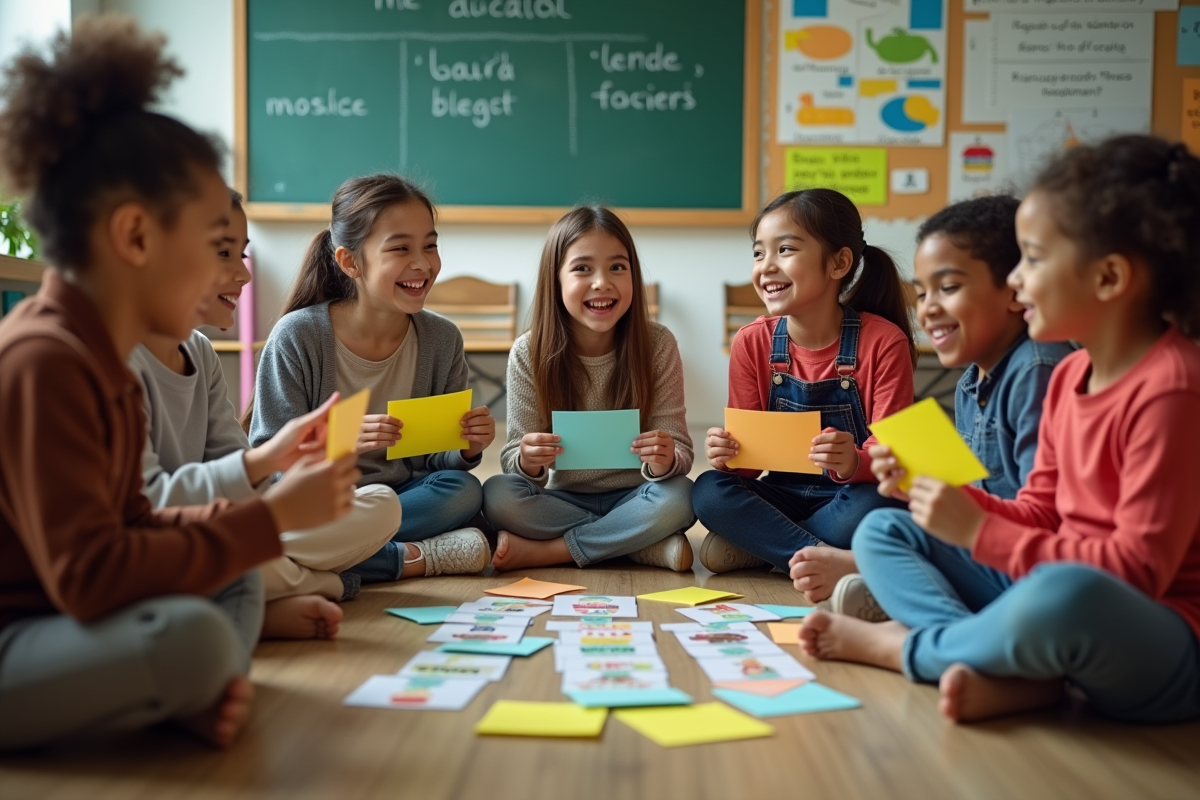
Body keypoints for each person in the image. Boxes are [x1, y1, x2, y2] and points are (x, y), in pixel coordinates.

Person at [0, 18, 358, 750]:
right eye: (211, 245)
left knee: (235, 577)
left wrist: (260, 521)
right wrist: (267, 517)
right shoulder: (43, 359)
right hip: (28, 631)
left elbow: (135, 523)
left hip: (70, 621)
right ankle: (181, 683)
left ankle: (172, 691)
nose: (228, 273)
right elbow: (91, 576)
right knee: (190, 636)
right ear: (135, 238)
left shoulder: (104, 357)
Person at [801, 136, 1200, 725]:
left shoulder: (1171, 387)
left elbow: (1137, 572)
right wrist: (944, 500)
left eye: (1034, 260)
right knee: (885, 527)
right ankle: (1005, 669)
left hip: (1154, 639)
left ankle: (906, 647)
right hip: (1053, 598)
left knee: (1067, 590)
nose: (1018, 283)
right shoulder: (1071, 376)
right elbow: (1039, 509)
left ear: (1110, 277)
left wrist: (982, 531)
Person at [130, 190, 401, 640]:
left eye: (242, 254)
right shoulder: (114, 363)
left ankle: (252, 589)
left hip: (216, 533)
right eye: (223, 253)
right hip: (165, 544)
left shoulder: (200, 352)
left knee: (384, 503)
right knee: (179, 569)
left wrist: (289, 463)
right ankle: (308, 584)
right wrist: (271, 472)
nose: (242, 274)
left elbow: (241, 473)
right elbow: (147, 507)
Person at [830, 195, 1074, 620]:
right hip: (993, 555)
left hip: (1036, 570)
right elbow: (975, 492)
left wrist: (945, 505)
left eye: (949, 287)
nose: (927, 308)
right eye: (922, 293)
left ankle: (939, 632)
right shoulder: (969, 383)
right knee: (882, 527)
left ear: (1015, 289)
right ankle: (941, 620)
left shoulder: (1037, 369)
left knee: (877, 531)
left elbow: (1044, 521)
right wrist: (917, 485)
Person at [250, 174, 493, 582]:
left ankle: (326, 560)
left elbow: (435, 458)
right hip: (320, 501)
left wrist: (466, 449)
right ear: (350, 262)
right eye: (400, 248)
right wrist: (338, 442)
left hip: (401, 499)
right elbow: (268, 462)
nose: (422, 263)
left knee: (463, 490)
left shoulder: (441, 338)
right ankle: (408, 559)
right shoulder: (298, 336)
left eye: (430, 245)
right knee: (281, 517)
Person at [693, 189, 915, 601]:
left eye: (786, 249)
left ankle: (763, 548)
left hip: (848, 498)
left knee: (876, 507)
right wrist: (728, 454)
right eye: (759, 253)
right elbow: (745, 469)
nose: (766, 267)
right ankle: (823, 558)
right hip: (782, 495)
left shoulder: (883, 342)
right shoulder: (752, 341)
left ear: (839, 263)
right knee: (707, 491)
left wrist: (855, 462)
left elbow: (894, 457)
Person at [482, 206, 696, 572]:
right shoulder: (528, 352)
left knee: (683, 496)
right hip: (561, 499)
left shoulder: (658, 344)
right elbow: (512, 457)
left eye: (617, 267)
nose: (602, 282)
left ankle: (554, 552)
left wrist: (666, 459)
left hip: (637, 495)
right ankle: (638, 545)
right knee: (498, 495)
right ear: (556, 279)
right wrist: (528, 460)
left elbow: (681, 451)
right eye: (582, 268)